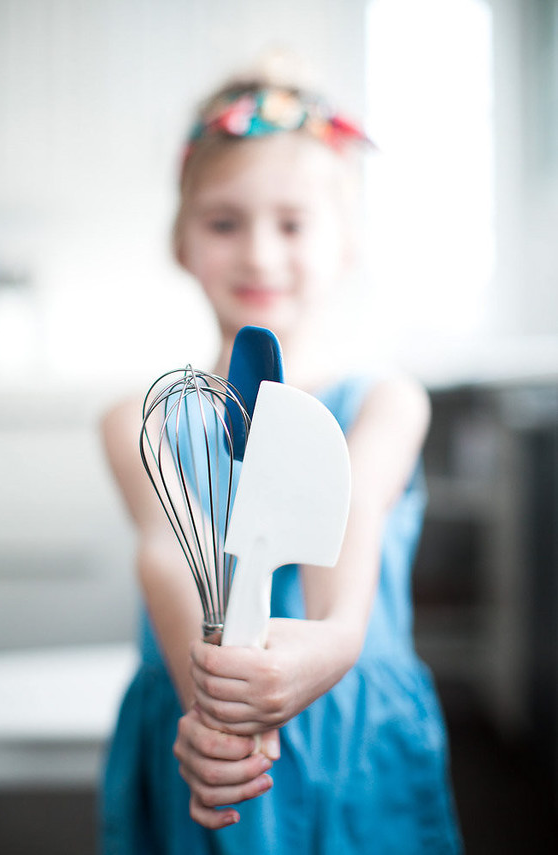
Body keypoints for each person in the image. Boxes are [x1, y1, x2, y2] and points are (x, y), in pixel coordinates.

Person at [100, 67, 463, 854]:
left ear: (347, 245)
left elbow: (352, 516)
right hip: (204, 732)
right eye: (225, 222)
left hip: (353, 743)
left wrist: (334, 639)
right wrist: (217, 706)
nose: (259, 253)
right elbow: (168, 550)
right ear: (182, 240)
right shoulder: (140, 420)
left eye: (292, 224)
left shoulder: (384, 403)